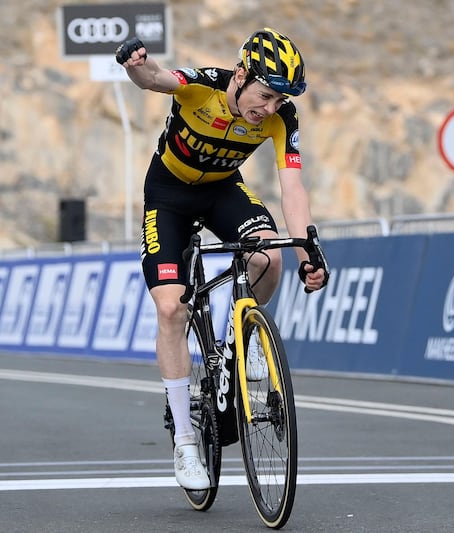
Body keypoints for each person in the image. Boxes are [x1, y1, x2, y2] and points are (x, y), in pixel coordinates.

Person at [116, 28, 329, 490]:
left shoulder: (282, 118)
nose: (269, 108)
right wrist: (136, 66)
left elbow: (292, 187)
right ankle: (186, 442)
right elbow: (157, 80)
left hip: (221, 192)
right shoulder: (205, 84)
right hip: (168, 197)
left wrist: (306, 249)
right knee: (172, 308)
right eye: (266, 94)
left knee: (268, 258)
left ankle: (244, 340)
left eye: (280, 100)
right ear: (240, 75)